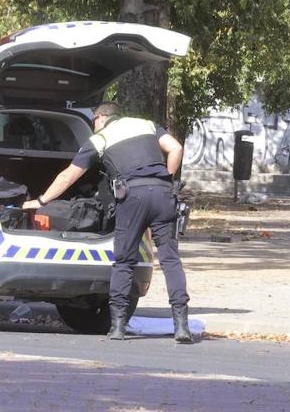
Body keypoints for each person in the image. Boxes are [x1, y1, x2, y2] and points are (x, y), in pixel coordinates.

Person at [22, 101, 192, 343]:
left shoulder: (102, 137)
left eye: (93, 122)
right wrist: (167, 181)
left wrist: (41, 200)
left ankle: (118, 326)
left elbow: (69, 175)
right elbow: (175, 148)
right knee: (170, 260)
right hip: (164, 195)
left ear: (100, 118)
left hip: (132, 198)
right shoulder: (146, 125)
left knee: (124, 261)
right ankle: (182, 326)